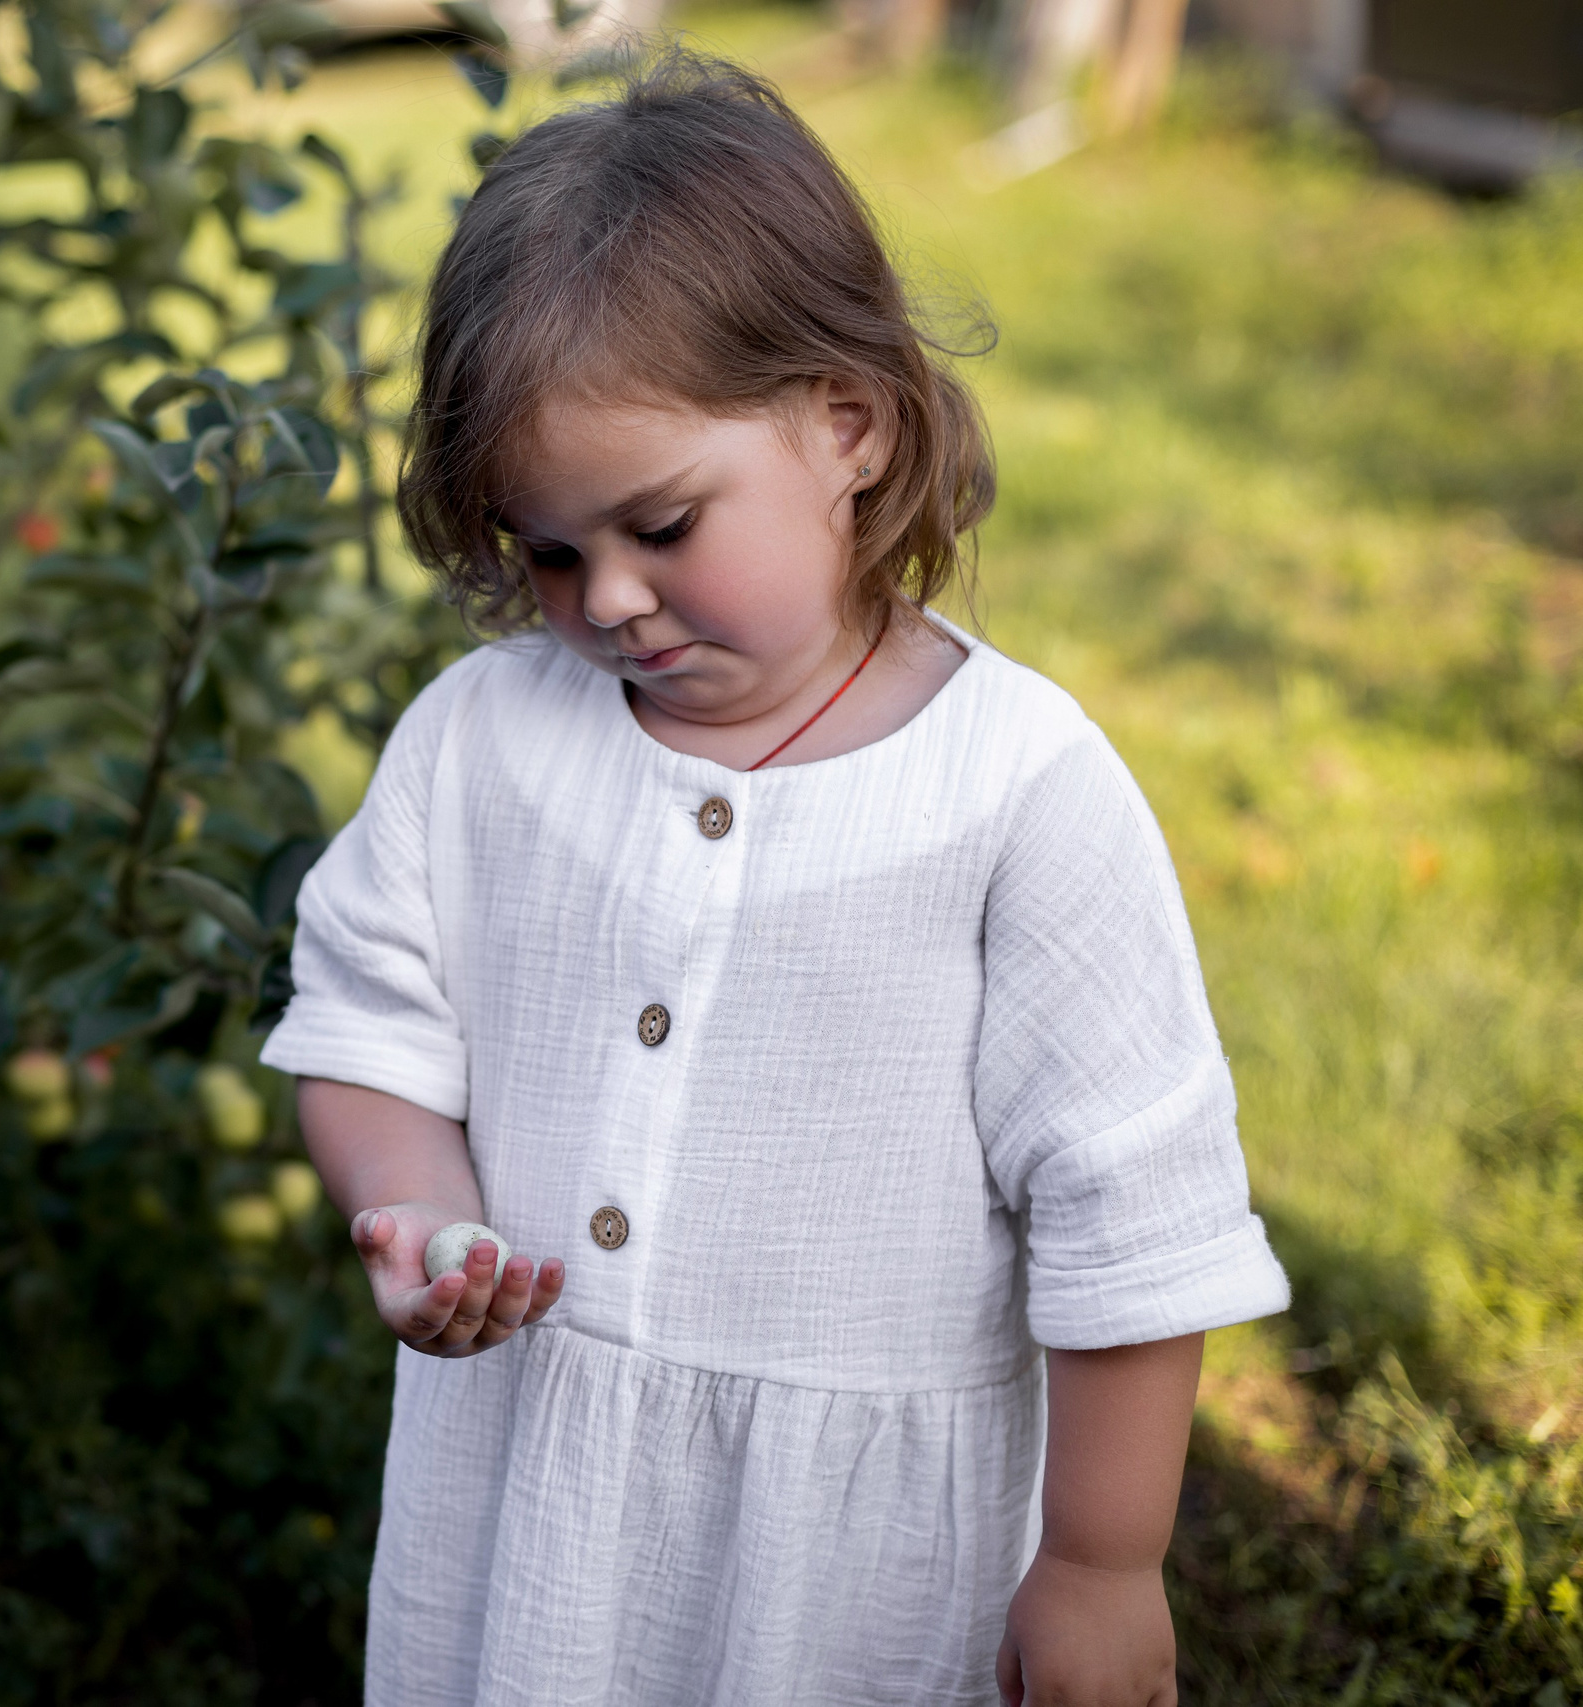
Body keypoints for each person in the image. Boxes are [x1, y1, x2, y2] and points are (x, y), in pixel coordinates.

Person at [257, 50, 1290, 1707]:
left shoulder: (1011, 791)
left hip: (857, 1564)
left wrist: (1101, 1562)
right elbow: (370, 1028)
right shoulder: (484, 744)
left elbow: (1131, 1209)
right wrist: (420, 1213)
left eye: (661, 526)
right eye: (546, 550)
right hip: (536, 1493)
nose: (603, 601)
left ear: (847, 427)